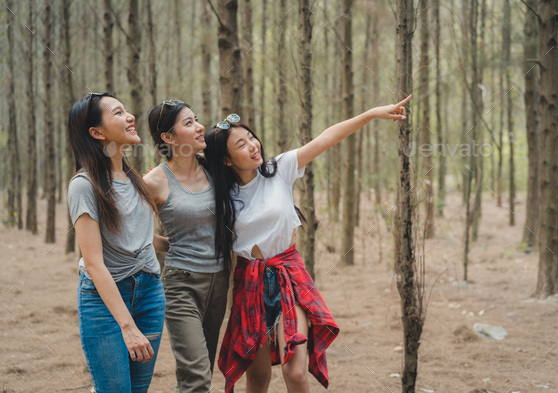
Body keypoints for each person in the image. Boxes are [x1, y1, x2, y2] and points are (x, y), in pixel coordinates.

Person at [205, 95, 411, 393]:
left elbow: (327, 137)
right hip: (250, 282)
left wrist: (370, 114)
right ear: (226, 159)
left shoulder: (279, 169)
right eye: (241, 145)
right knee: (259, 376)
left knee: (296, 372)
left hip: (289, 275)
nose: (253, 146)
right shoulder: (222, 196)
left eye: (251, 138)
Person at [67, 92, 168, 393]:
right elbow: (95, 263)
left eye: (126, 110)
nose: (130, 117)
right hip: (105, 302)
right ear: (96, 133)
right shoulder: (84, 186)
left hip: (150, 293)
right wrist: (127, 326)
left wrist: (180, 245)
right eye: (118, 112)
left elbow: (138, 239)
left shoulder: (133, 178)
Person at [143, 100, 229, 393]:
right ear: (168, 137)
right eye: (188, 123)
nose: (200, 126)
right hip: (182, 285)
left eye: (197, 120)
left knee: (203, 369)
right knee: (196, 376)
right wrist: (173, 246)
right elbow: (133, 233)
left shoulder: (214, 169)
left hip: (219, 282)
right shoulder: (154, 181)